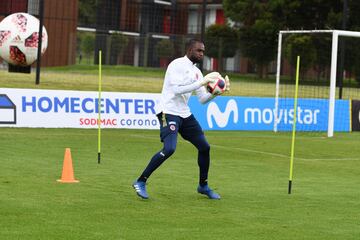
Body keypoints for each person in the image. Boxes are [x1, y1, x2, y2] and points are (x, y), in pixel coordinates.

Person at [132, 39, 230, 200]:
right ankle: (140, 181)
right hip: (168, 111)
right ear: (190, 50)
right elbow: (177, 90)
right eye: (199, 51)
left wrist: (217, 92)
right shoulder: (176, 65)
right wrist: (202, 82)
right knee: (170, 148)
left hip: (184, 113)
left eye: (203, 51)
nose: (202, 54)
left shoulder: (197, 72)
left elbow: (202, 99)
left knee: (205, 147)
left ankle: (203, 185)